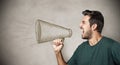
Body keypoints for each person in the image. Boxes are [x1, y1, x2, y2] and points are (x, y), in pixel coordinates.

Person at [52, 10, 120, 65]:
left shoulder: (112, 46)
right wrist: (58, 52)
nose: (80, 26)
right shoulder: (81, 48)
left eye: (83, 22)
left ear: (94, 26)